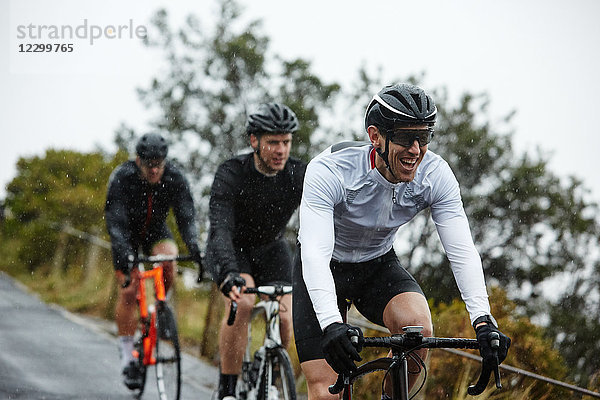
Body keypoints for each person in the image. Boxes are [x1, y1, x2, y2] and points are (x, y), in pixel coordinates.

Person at [293, 83, 511, 399]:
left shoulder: (435, 174)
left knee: (418, 332)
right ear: (375, 136)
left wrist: (482, 320)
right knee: (327, 391)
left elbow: (462, 251)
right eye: (406, 137)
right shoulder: (331, 170)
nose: (416, 150)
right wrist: (330, 323)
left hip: (376, 266)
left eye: (423, 138)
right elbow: (314, 253)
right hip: (324, 268)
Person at [205, 103, 306, 400]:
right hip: (234, 249)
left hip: (272, 247)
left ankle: (271, 376)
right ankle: (228, 390)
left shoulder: (297, 174)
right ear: (254, 141)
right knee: (244, 304)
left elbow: (326, 217)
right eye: (273, 142)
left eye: (286, 142)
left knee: (286, 316)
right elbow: (220, 228)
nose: (281, 150)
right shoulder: (232, 172)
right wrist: (229, 272)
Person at [105, 132, 202, 390]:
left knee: (168, 261)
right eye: (149, 164)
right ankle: (127, 356)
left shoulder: (174, 177)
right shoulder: (122, 177)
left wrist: (194, 245)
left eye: (159, 163)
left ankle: (159, 311)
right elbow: (114, 220)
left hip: (156, 231)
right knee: (130, 288)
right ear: (138, 160)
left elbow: (186, 215)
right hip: (126, 234)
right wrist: (126, 255)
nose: (155, 169)